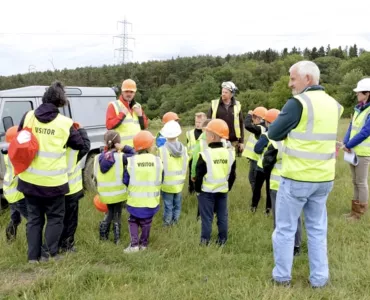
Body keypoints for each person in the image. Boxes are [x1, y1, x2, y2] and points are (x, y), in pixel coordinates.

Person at [268, 61, 343, 288]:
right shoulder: (334, 105)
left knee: (285, 229)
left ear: (307, 79)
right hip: (323, 179)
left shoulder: (298, 103)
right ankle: (319, 279)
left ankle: (282, 277)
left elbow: (274, 132)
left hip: (297, 178)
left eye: (292, 78)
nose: (290, 84)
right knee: (317, 230)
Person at [17, 81, 85, 263]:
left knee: (34, 219)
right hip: (53, 183)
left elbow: (20, 138)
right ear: (61, 101)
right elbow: (79, 144)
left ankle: (33, 257)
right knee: (55, 218)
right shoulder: (65, 123)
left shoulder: (28, 116)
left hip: (28, 180)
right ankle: (50, 254)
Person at [261, 110, 303, 256]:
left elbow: (265, 163)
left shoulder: (275, 143)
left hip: (277, 185)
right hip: (296, 182)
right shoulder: (298, 141)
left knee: (279, 217)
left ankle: (281, 246)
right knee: (295, 216)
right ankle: (296, 246)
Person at [195, 119, 236, 246]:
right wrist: (227, 187)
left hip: (206, 192)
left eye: (207, 134)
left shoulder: (205, 155)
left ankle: (204, 241)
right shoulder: (230, 154)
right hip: (222, 191)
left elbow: (199, 176)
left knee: (207, 218)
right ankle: (222, 240)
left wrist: (197, 190)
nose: (205, 137)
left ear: (212, 136)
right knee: (222, 217)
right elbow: (232, 175)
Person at [124, 130, 163, 253]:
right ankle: (144, 245)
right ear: (149, 146)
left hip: (135, 201)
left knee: (133, 221)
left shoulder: (131, 161)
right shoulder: (157, 161)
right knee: (147, 222)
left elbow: (125, 179)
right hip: (151, 200)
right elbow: (162, 177)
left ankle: (134, 245)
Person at [94, 130, 135, 244]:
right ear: (118, 142)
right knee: (117, 214)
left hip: (104, 193)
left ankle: (103, 236)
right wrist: (124, 147)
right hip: (118, 193)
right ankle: (117, 239)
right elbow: (135, 154)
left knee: (110, 212)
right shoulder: (121, 157)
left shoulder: (98, 157)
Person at [59, 122, 91, 252]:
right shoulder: (75, 151)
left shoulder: (55, 149)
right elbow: (86, 145)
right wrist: (82, 129)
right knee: (71, 220)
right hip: (71, 190)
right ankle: (67, 245)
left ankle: (55, 244)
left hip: (56, 190)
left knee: (57, 219)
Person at [342, 78, 370, 220]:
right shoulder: (358, 108)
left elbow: (365, 132)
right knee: (355, 181)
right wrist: (346, 142)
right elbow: (351, 127)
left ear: (367, 93)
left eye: (359, 92)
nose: (356, 94)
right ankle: (354, 211)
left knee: (361, 182)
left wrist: (349, 145)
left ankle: (359, 213)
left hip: (363, 153)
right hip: (353, 151)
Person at [159, 120, 188, 226]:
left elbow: (159, 167)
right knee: (177, 204)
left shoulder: (162, 150)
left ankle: (166, 225)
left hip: (167, 184)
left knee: (168, 205)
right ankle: (175, 222)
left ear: (165, 135)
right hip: (179, 183)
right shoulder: (184, 149)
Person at [251, 109, 280, 215]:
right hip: (274, 168)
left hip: (261, 167)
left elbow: (257, 149)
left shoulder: (266, 135)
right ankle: (268, 210)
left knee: (257, 188)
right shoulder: (282, 135)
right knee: (269, 189)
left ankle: (253, 207)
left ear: (268, 122)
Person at [2, 126, 28, 242]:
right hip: (17, 194)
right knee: (33, 220)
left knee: (15, 219)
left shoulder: (8, 152)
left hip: (10, 191)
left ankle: (10, 241)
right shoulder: (15, 154)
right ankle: (35, 244)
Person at [105, 79, 148, 147]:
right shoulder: (113, 105)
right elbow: (109, 126)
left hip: (137, 147)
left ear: (134, 93)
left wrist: (140, 116)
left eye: (131, 92)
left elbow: (144, 126)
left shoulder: (138, 106)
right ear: (122, 91)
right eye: (126, 91)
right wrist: (122, 114)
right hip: (121, 149)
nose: (129, 94)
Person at [207, 81, 244, 156]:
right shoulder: (214, 104)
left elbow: (240, 124)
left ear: (232, 94)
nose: (223, 94)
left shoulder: (237, 105)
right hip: (218, 140)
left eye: (226, 92)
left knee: (231, 163)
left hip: (233, 141)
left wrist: (241, 142)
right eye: (222, 92)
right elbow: (208, 122)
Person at [242, 106, 268, 193]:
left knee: (253, 179)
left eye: (254, 117)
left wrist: (248, 115)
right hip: (254, 158)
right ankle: (256, 196)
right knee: (252, 179)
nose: (252, 119)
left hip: (257, 159)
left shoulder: (260, 128)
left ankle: (256, 197)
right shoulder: (260, 127)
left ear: (260, 118)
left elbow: (247, 125)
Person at [186, 112, 207, 194]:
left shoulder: (206, 133)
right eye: (196, 122)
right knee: (191, 175)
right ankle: (191, 190)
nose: (197, 124)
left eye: (200, 122)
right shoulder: (189, 133)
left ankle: (201, 190)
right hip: (192, 158)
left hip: (202, 158)